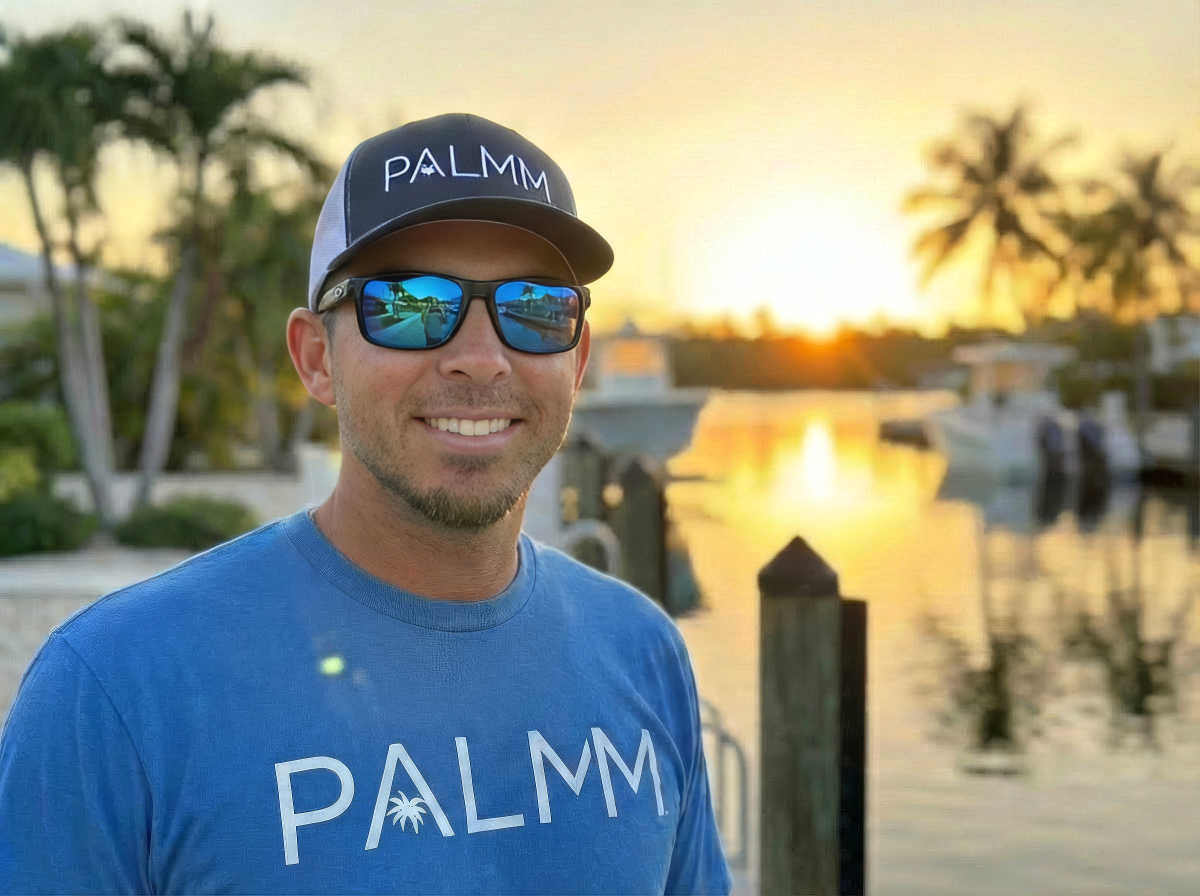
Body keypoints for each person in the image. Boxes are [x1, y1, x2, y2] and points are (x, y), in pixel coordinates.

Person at [0, 113, 732, 895]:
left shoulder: (643, 652)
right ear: (317, 359)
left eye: (534, 308)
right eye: (410, 304)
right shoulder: (117, 690)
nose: (481, 359)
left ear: (577, 358)